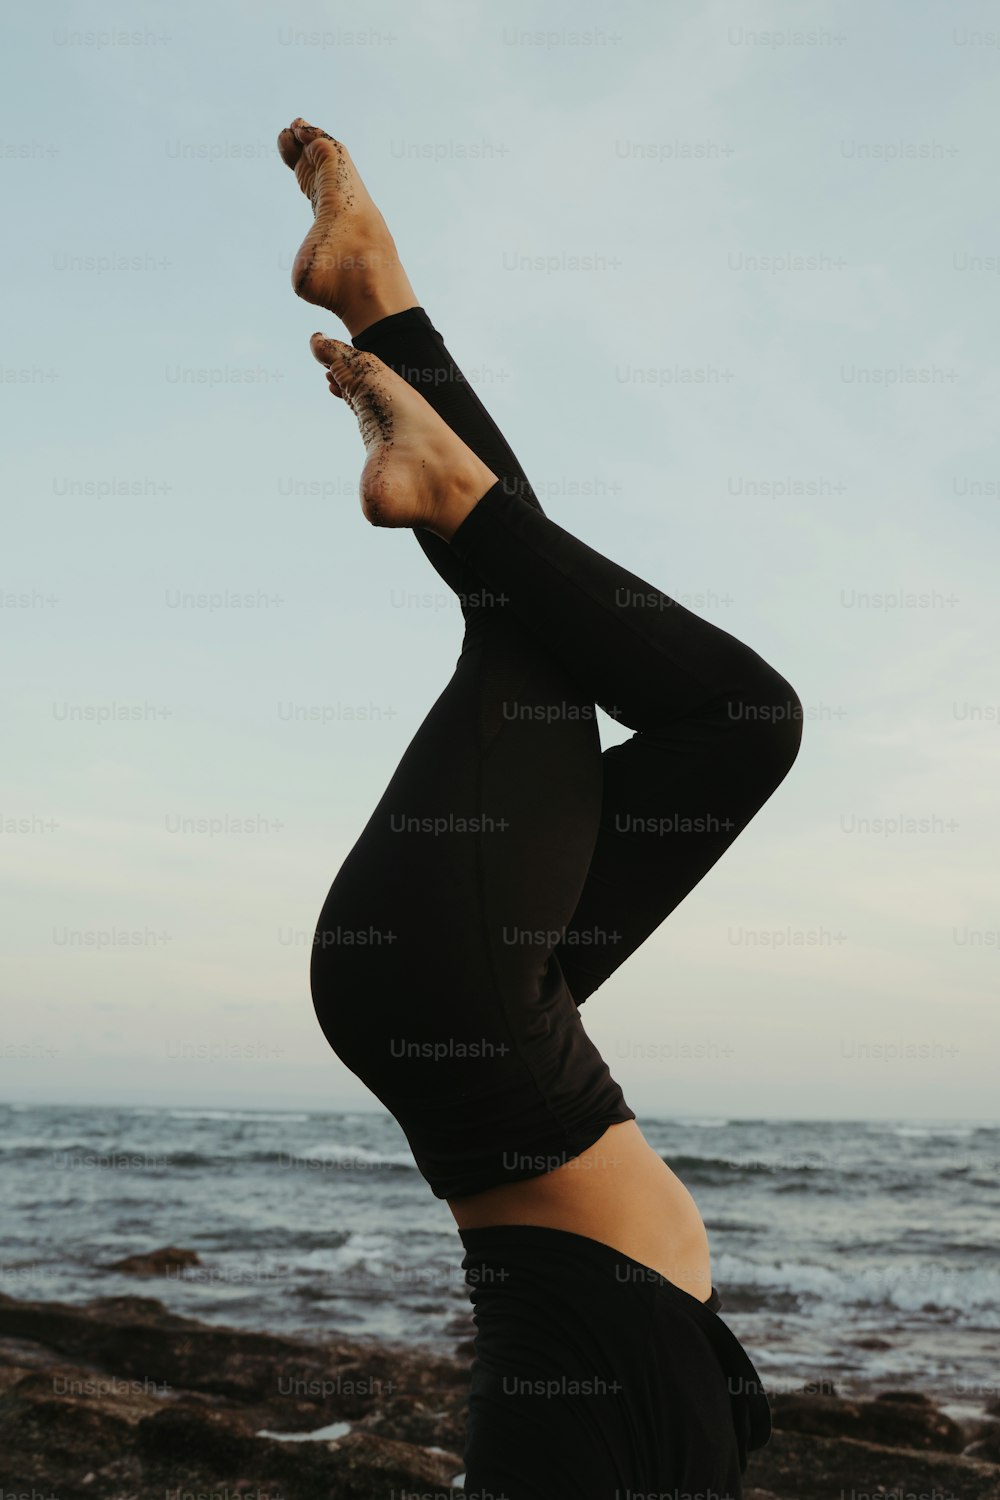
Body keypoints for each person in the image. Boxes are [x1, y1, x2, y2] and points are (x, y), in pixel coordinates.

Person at [278, 115, 800, 1498]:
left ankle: (396, 348)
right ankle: (376, 304)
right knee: (719, 724)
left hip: (469, 1019)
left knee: (641, 680)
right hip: (493, 1020)